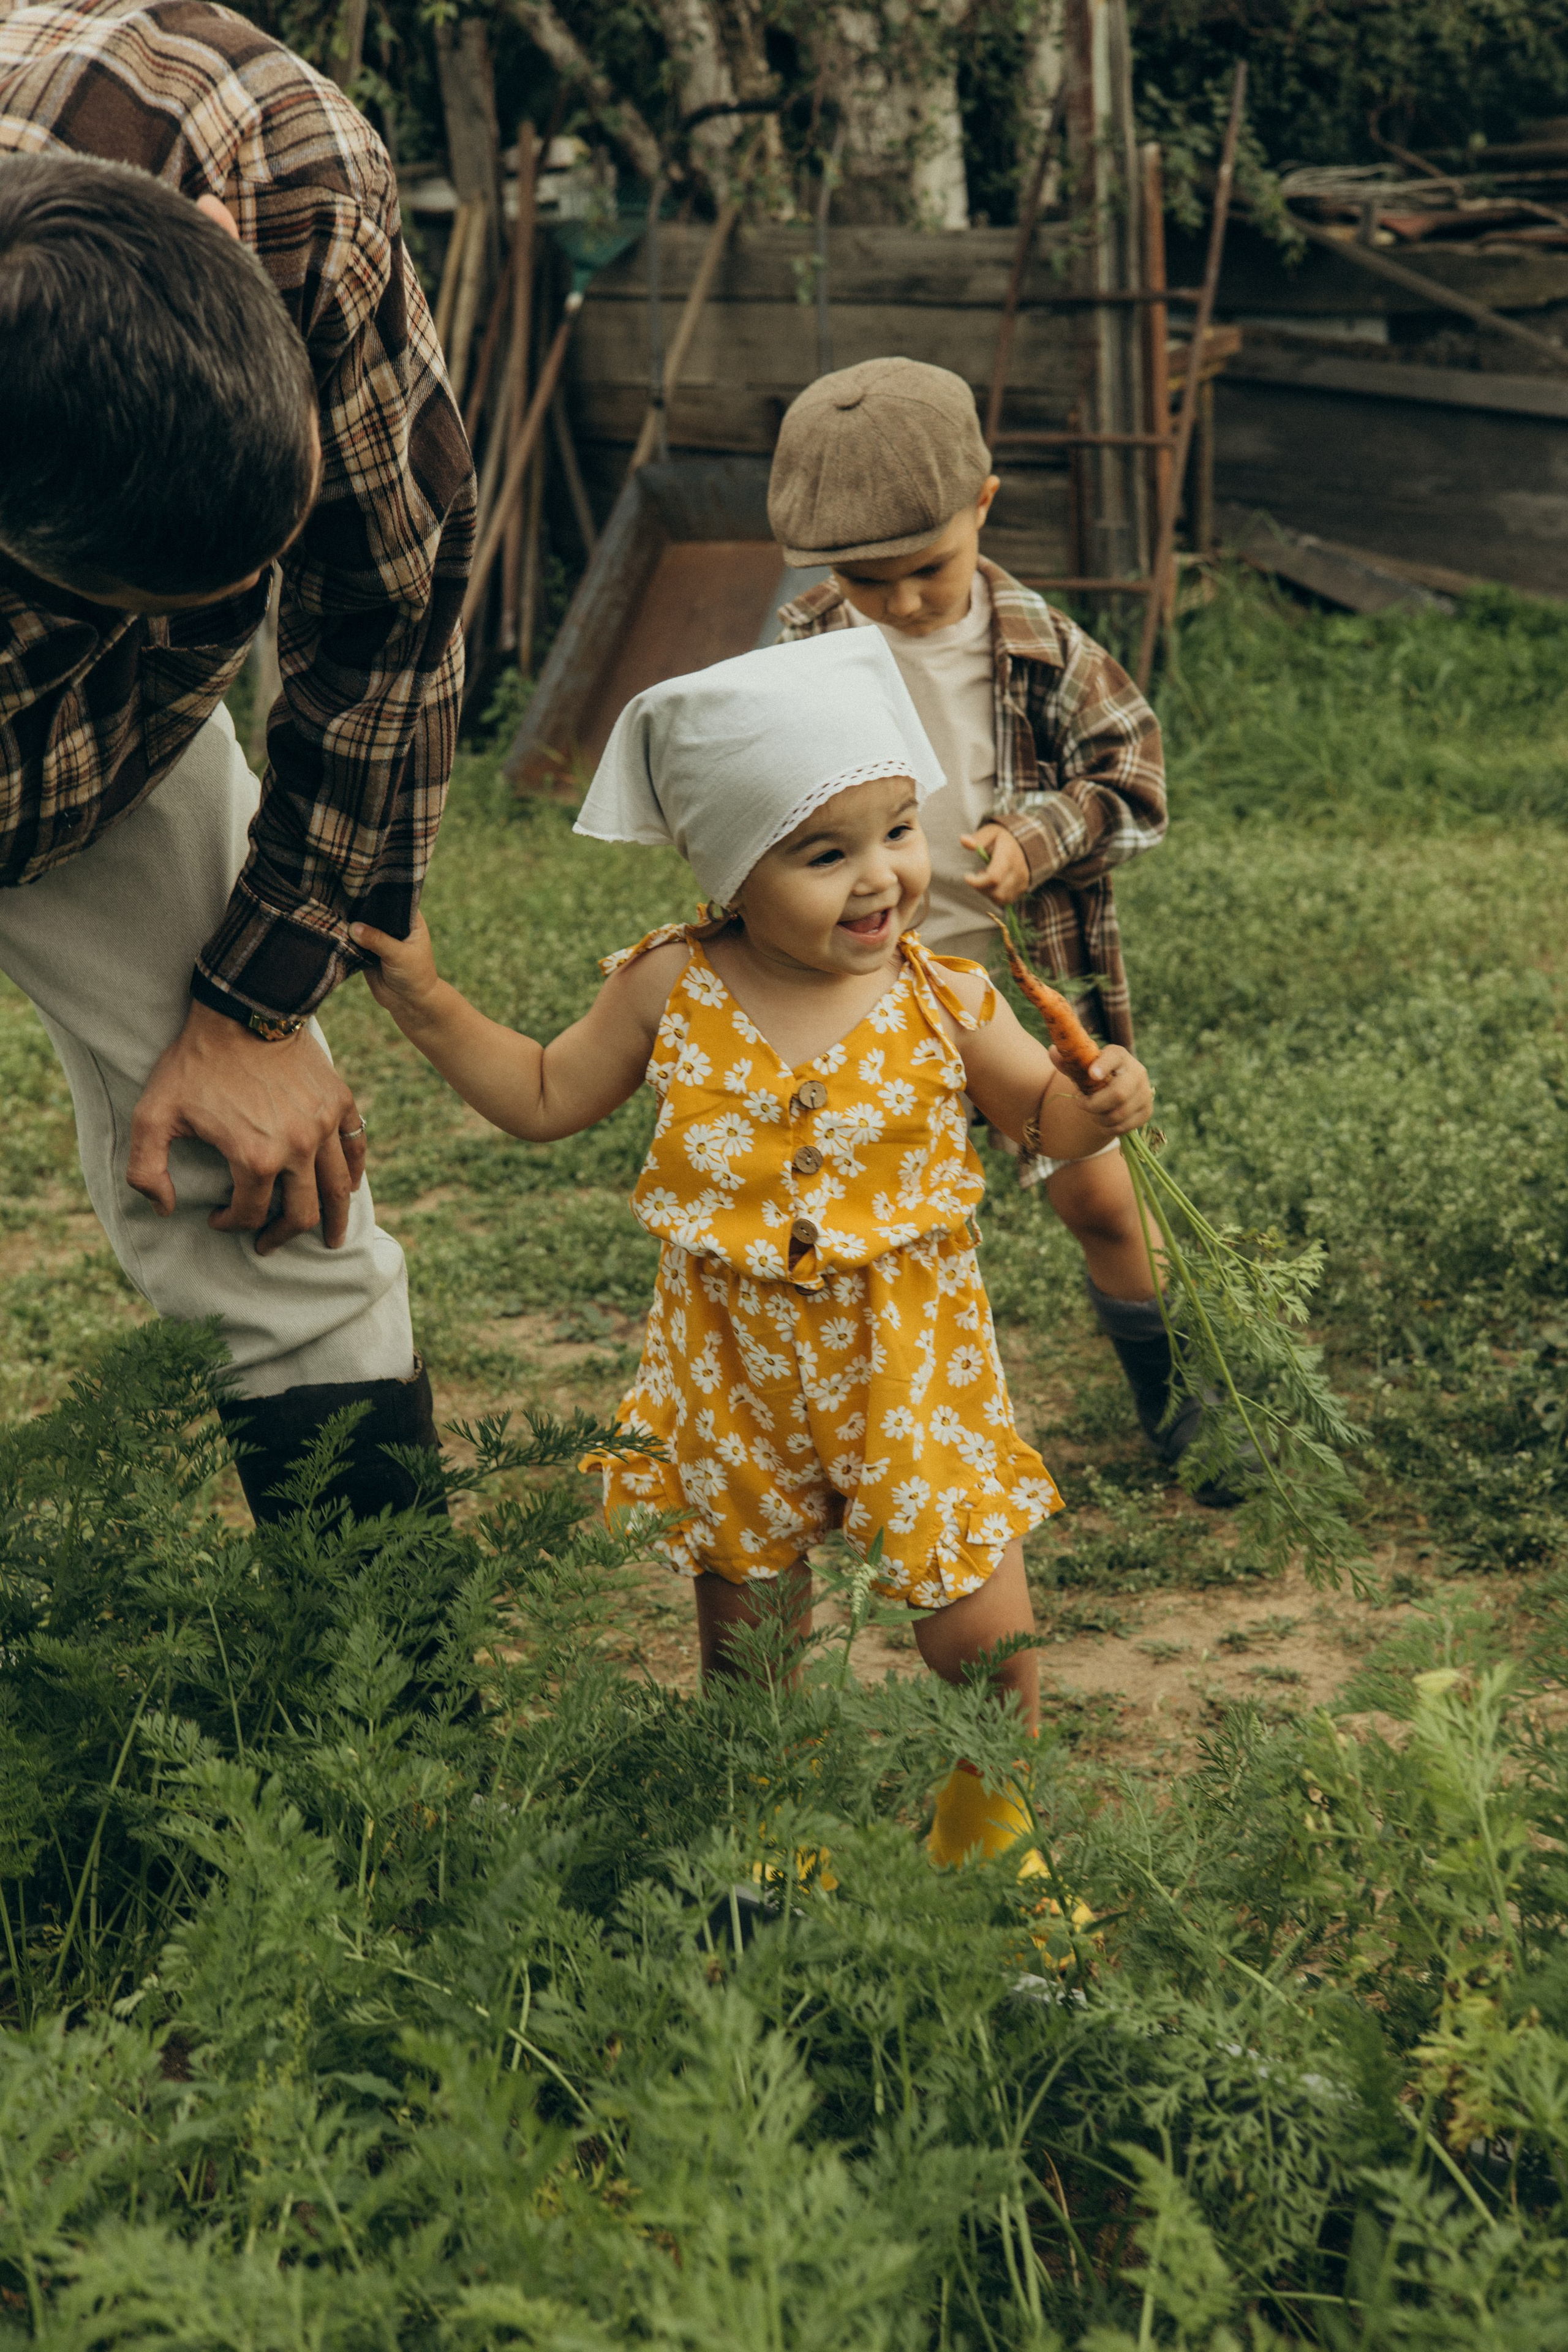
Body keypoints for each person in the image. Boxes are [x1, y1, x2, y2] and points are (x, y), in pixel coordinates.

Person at [350, 632, 1155, 1863]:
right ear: (726, 867)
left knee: (976, 1622)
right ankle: (772, 1836)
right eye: (824, 853)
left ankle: (991, 1825)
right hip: (731, 1365)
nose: (880, 876)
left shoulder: (948, 997)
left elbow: (1038, 1119)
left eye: (898, 830)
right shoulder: (668, 984)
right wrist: (425, 998)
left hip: (909, 1360)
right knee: (747, 1634)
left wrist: (1093, 1106)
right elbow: (545, 1094)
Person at [0, 2, 474, 1520]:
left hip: (112, 746)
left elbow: (392, 600)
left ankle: (377, 1667)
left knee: (263, 1183)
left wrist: (253, 1004)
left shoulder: (279, 170)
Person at [767, 360, 1202, 1483]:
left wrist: (1037, 837)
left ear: (984, 507)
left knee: (1101, 1194)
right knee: (864, 1220)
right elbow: (757, 809)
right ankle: (873, 1436)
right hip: (863, 984)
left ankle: (1190, 1404)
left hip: (1012, 976)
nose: (905, 602)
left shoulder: (1049, 650)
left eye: (929, 568)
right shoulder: (802, 649)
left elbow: (1135, 782)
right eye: (868, 580)